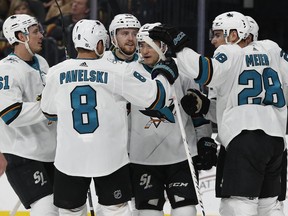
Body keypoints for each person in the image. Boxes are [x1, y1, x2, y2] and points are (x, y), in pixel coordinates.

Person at [148, 11, 288, 216]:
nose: (214, 40)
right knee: (270, 206)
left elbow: (205, 71)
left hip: (244, 141)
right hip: (276, 141)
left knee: (237, 205)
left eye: (218, 34)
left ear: (235, 34)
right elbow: (240, 103)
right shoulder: (273, 49)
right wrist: (204, 106)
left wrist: (179, 46)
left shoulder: (231, 53)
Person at [40, 18, 178, 216]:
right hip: (110, 158)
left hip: (69, 159)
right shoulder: (117, 71)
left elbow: (48, 112)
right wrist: (165, 73)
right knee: (115, 210)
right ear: (98, 43)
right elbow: (155, 98)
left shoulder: (55, 72)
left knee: (70, 212)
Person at [128, 22, 216, 216]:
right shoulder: (130, 73)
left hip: (181, 154)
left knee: (185, 210)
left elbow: (197, 111)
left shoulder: (183, 71)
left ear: (164, 46)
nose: (144, 50)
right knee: (148, 212)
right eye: (141, 45)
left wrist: (205, 139)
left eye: (151, 44)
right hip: (143, 157)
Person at [0, 14, 58, 215]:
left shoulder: (41, 62)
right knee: (46, 208)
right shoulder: (6, 69)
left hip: (48, 152)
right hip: (21, 154)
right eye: (35, 32)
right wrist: (50, 107)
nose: (41, 35)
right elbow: (10, 114)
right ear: (20, 36)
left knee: (62, 208)